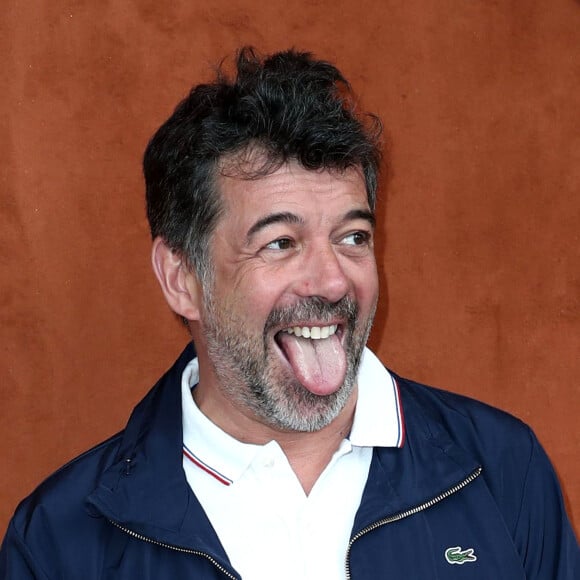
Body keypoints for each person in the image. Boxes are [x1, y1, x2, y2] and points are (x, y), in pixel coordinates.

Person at [0, 47, 578, 580]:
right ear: (182, 279)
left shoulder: (502, 472)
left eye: (352, 237)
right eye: (280, 243)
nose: (331, 281)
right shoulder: (61, 541)